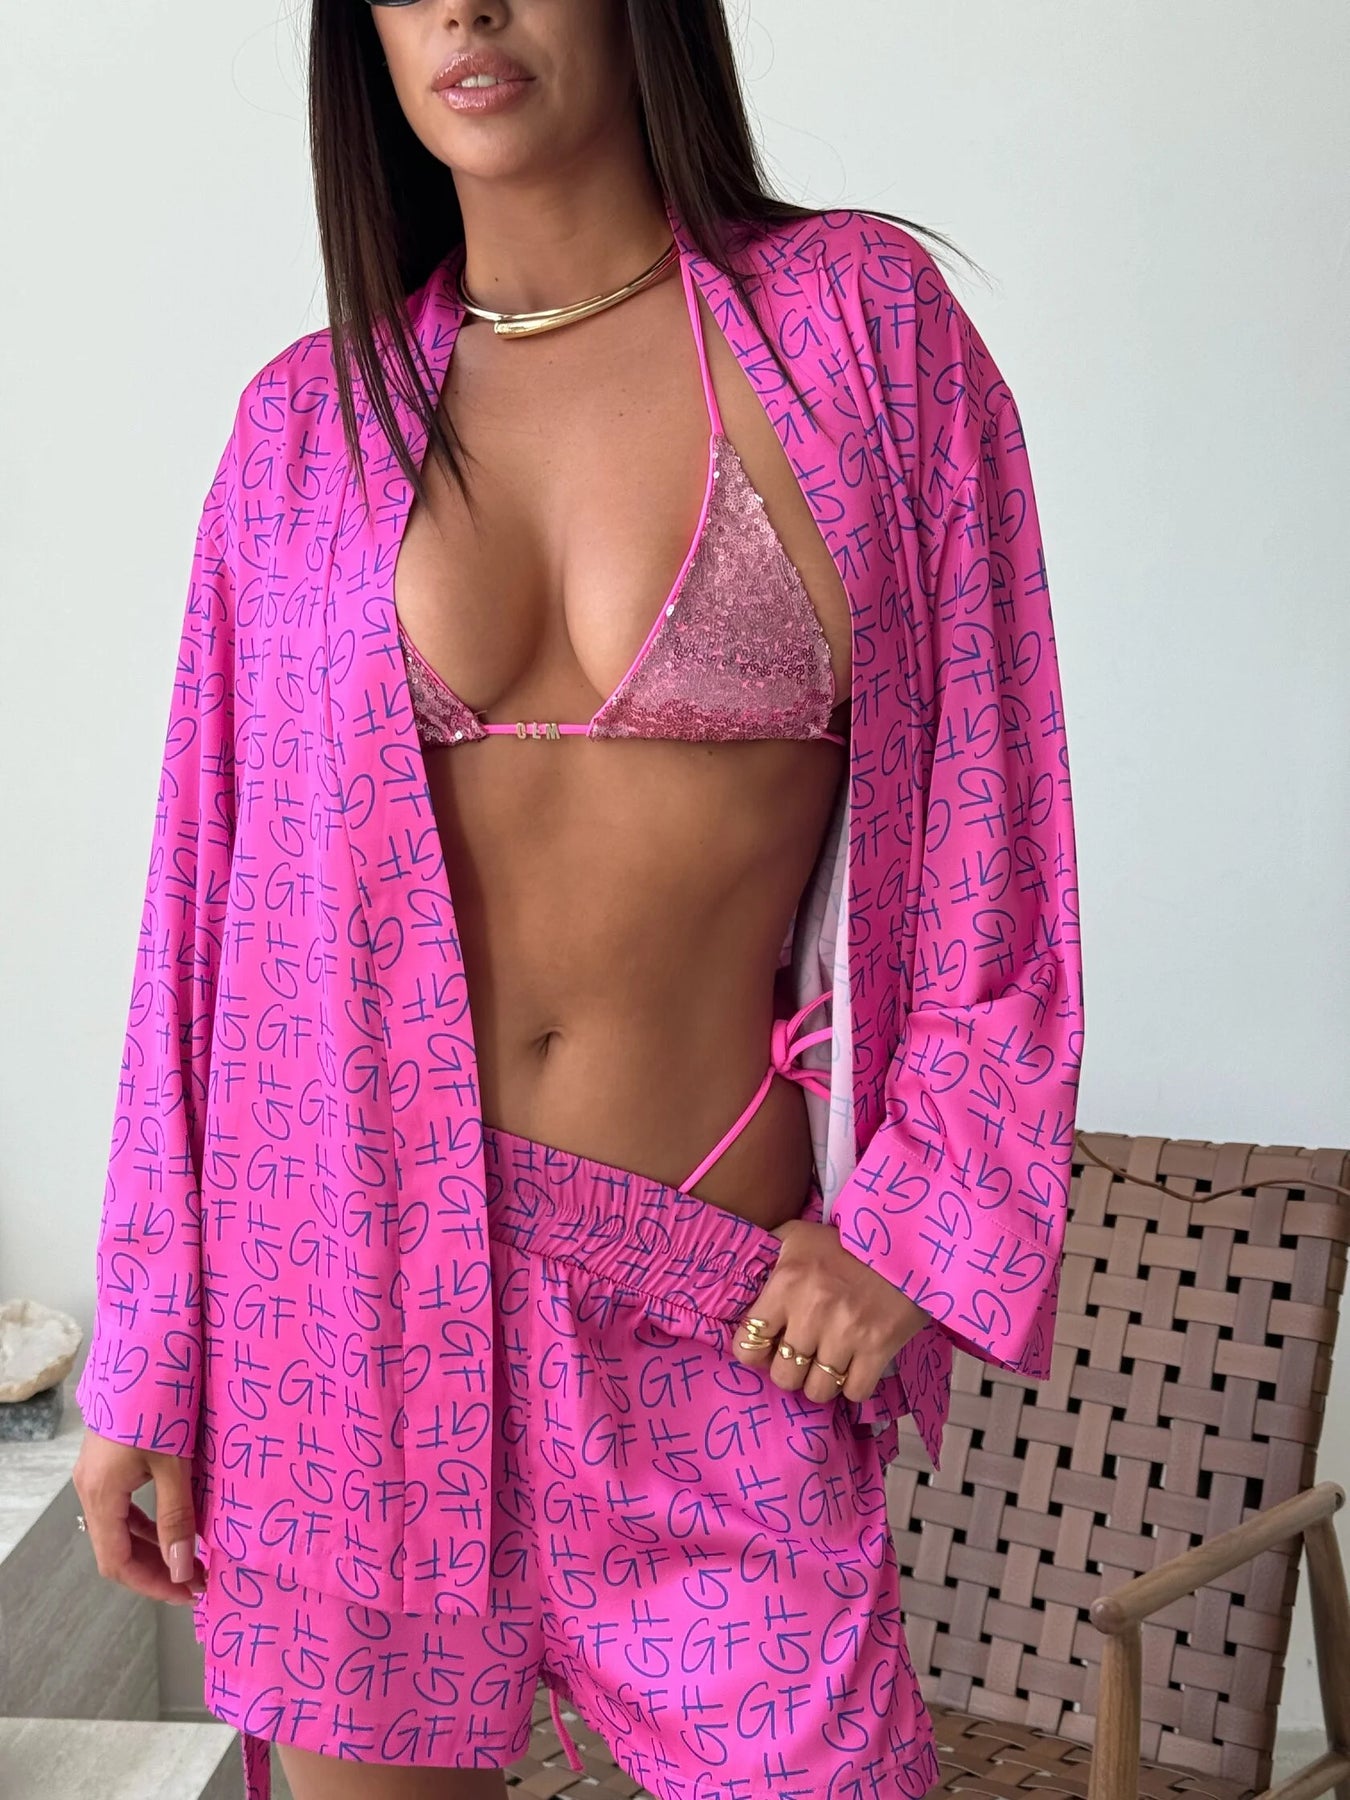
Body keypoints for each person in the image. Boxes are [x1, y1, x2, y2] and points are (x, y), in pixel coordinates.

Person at [71, 2, 1084, 1797]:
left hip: (708, 1317)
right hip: (341, 1325)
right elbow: (196, 919)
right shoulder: (303, 426)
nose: (465, 9)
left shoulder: (856, 329)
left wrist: (912, 1225)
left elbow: (994, 824)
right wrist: (147, 1356)